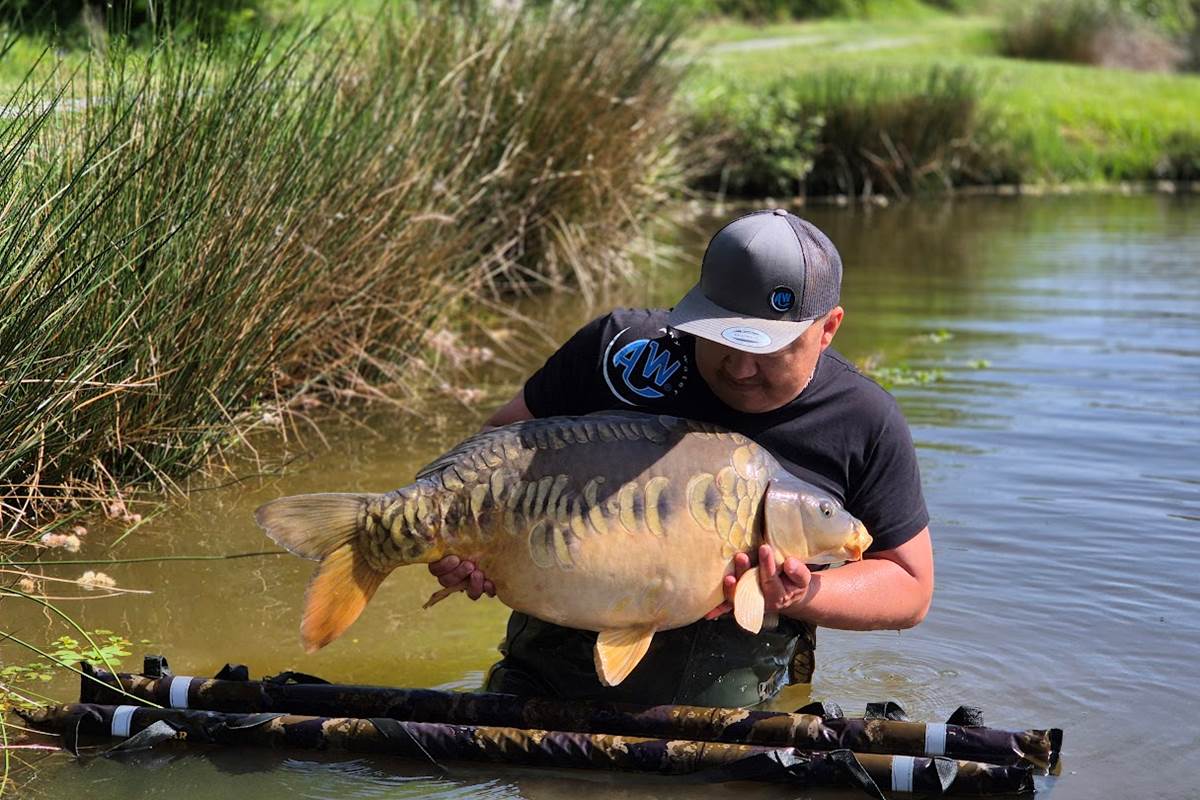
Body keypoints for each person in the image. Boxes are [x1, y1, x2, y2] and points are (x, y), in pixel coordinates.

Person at [428, 209, 934, 707]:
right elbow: (500, 440)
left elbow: (909, 585)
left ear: (828, 329)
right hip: (545, 675)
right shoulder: (617, 353)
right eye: (721, 337)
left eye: (768, 349)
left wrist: (801, 594)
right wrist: (464, 535)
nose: (739, 368)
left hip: (733, 703)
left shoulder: (861, 419)